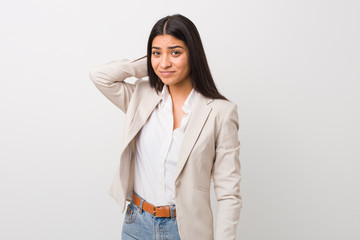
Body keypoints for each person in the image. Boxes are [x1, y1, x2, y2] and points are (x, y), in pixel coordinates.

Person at [90, 14, 241, 240]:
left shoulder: (220, 112)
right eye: (157, 52)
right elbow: (99, 76)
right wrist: (153, 65)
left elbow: (229, 194)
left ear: (194, 54)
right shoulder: (140, 96)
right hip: (136, 224)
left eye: (176, 52)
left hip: (185, 230)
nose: (165, 62)